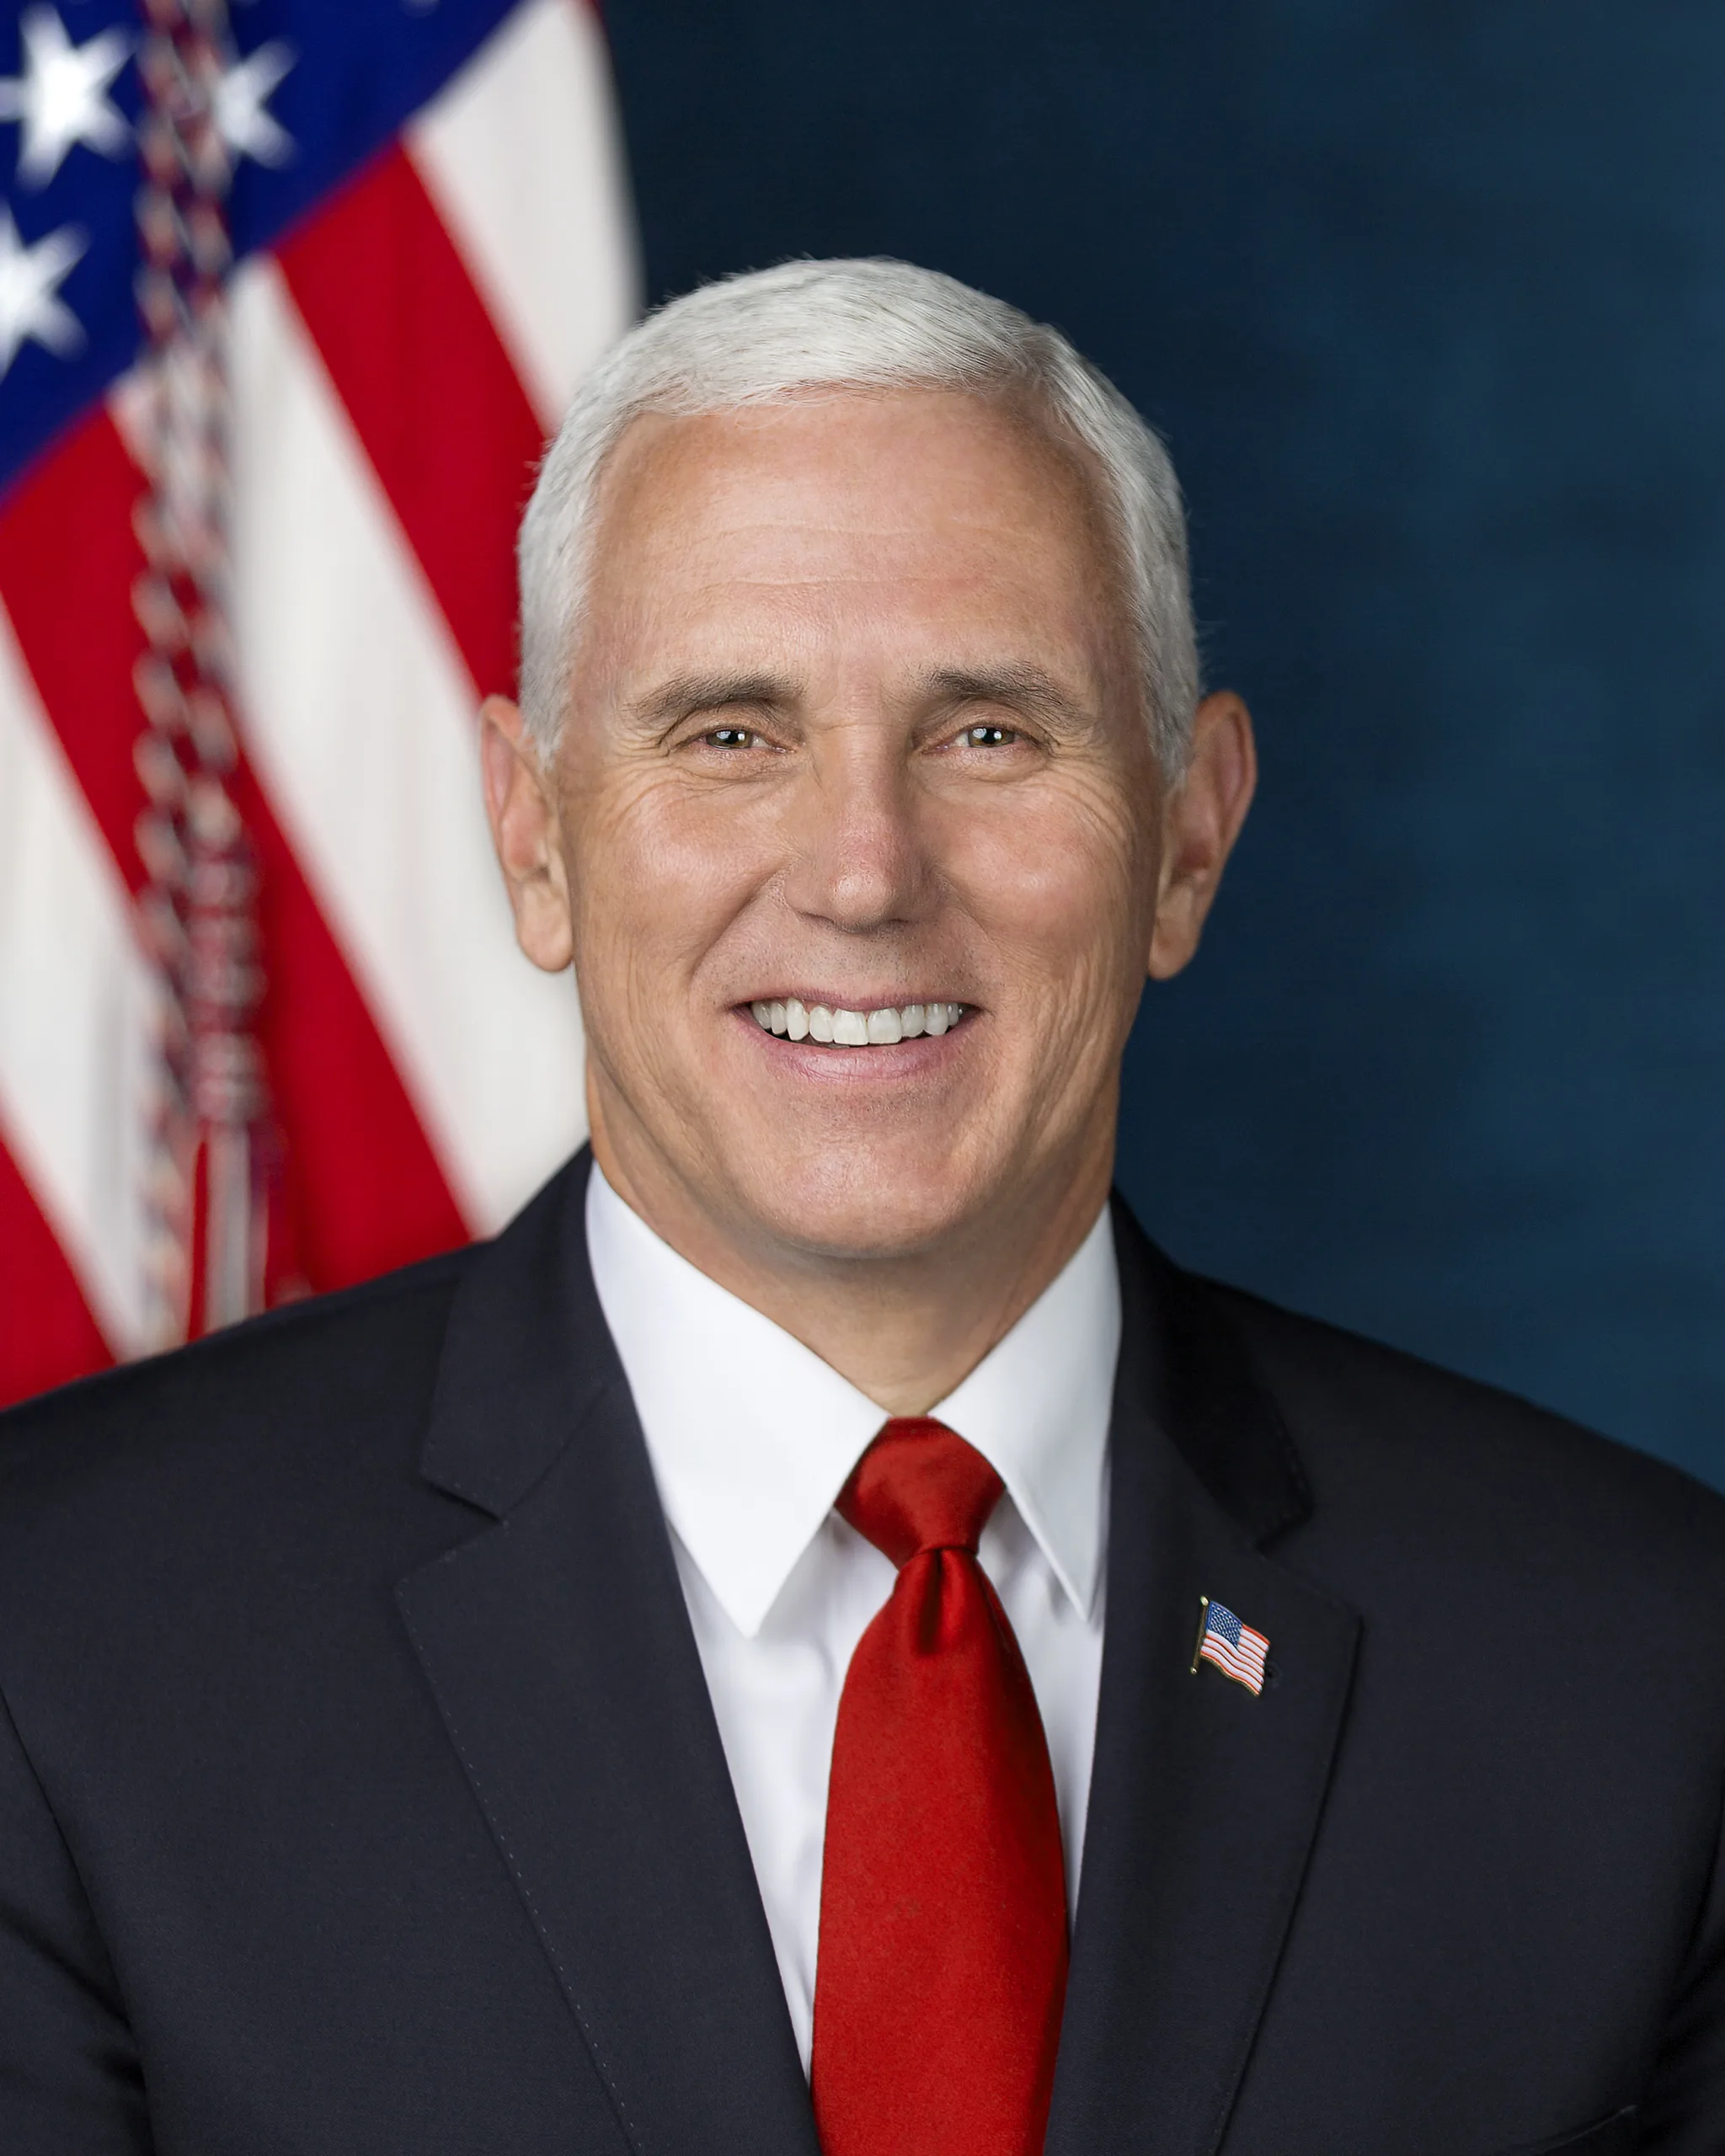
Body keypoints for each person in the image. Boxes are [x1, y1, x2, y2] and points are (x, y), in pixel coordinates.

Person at [0, 259, 1720, 2156]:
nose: (862, 870)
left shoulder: (1639, 1678)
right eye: (728, 731)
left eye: (987, 730)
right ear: (533, 833)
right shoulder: (63, 1650)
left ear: (1189, 832)